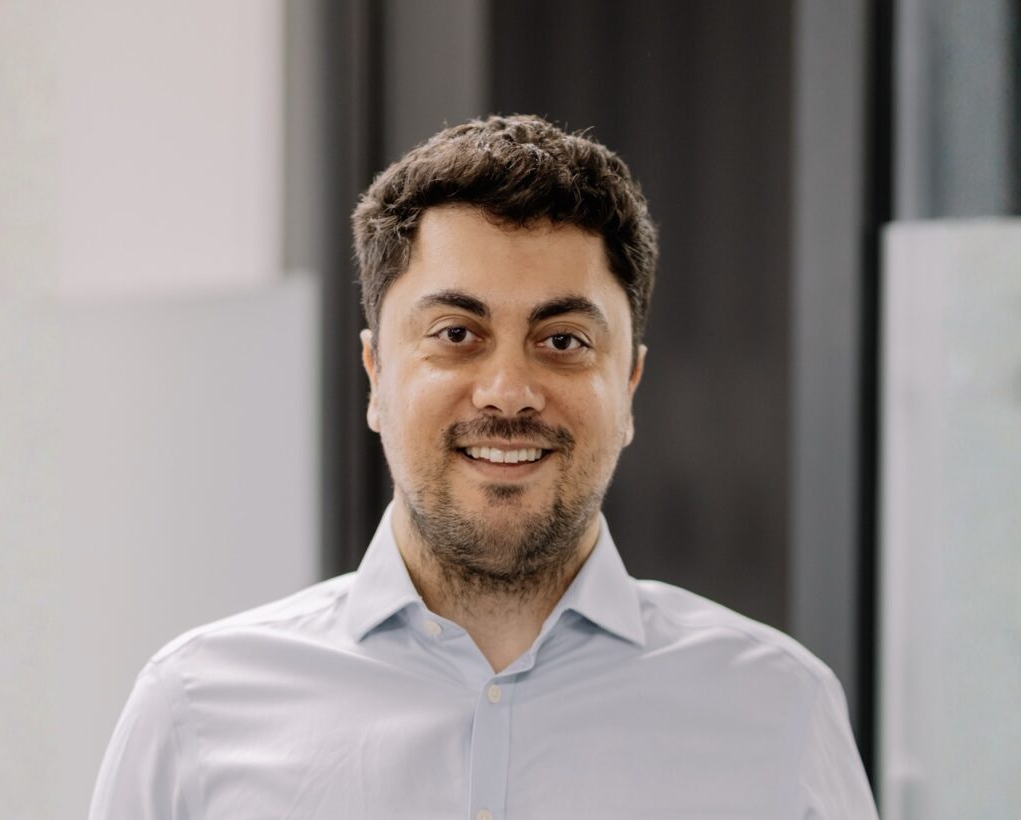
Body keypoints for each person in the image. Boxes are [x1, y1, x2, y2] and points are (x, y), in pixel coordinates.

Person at [90, 115, 878, 819]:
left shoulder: (780, 712)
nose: (508, 393)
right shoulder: (193, 712)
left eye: (563, 340)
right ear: (376, 377)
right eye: (456, 334)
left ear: (628, 387)